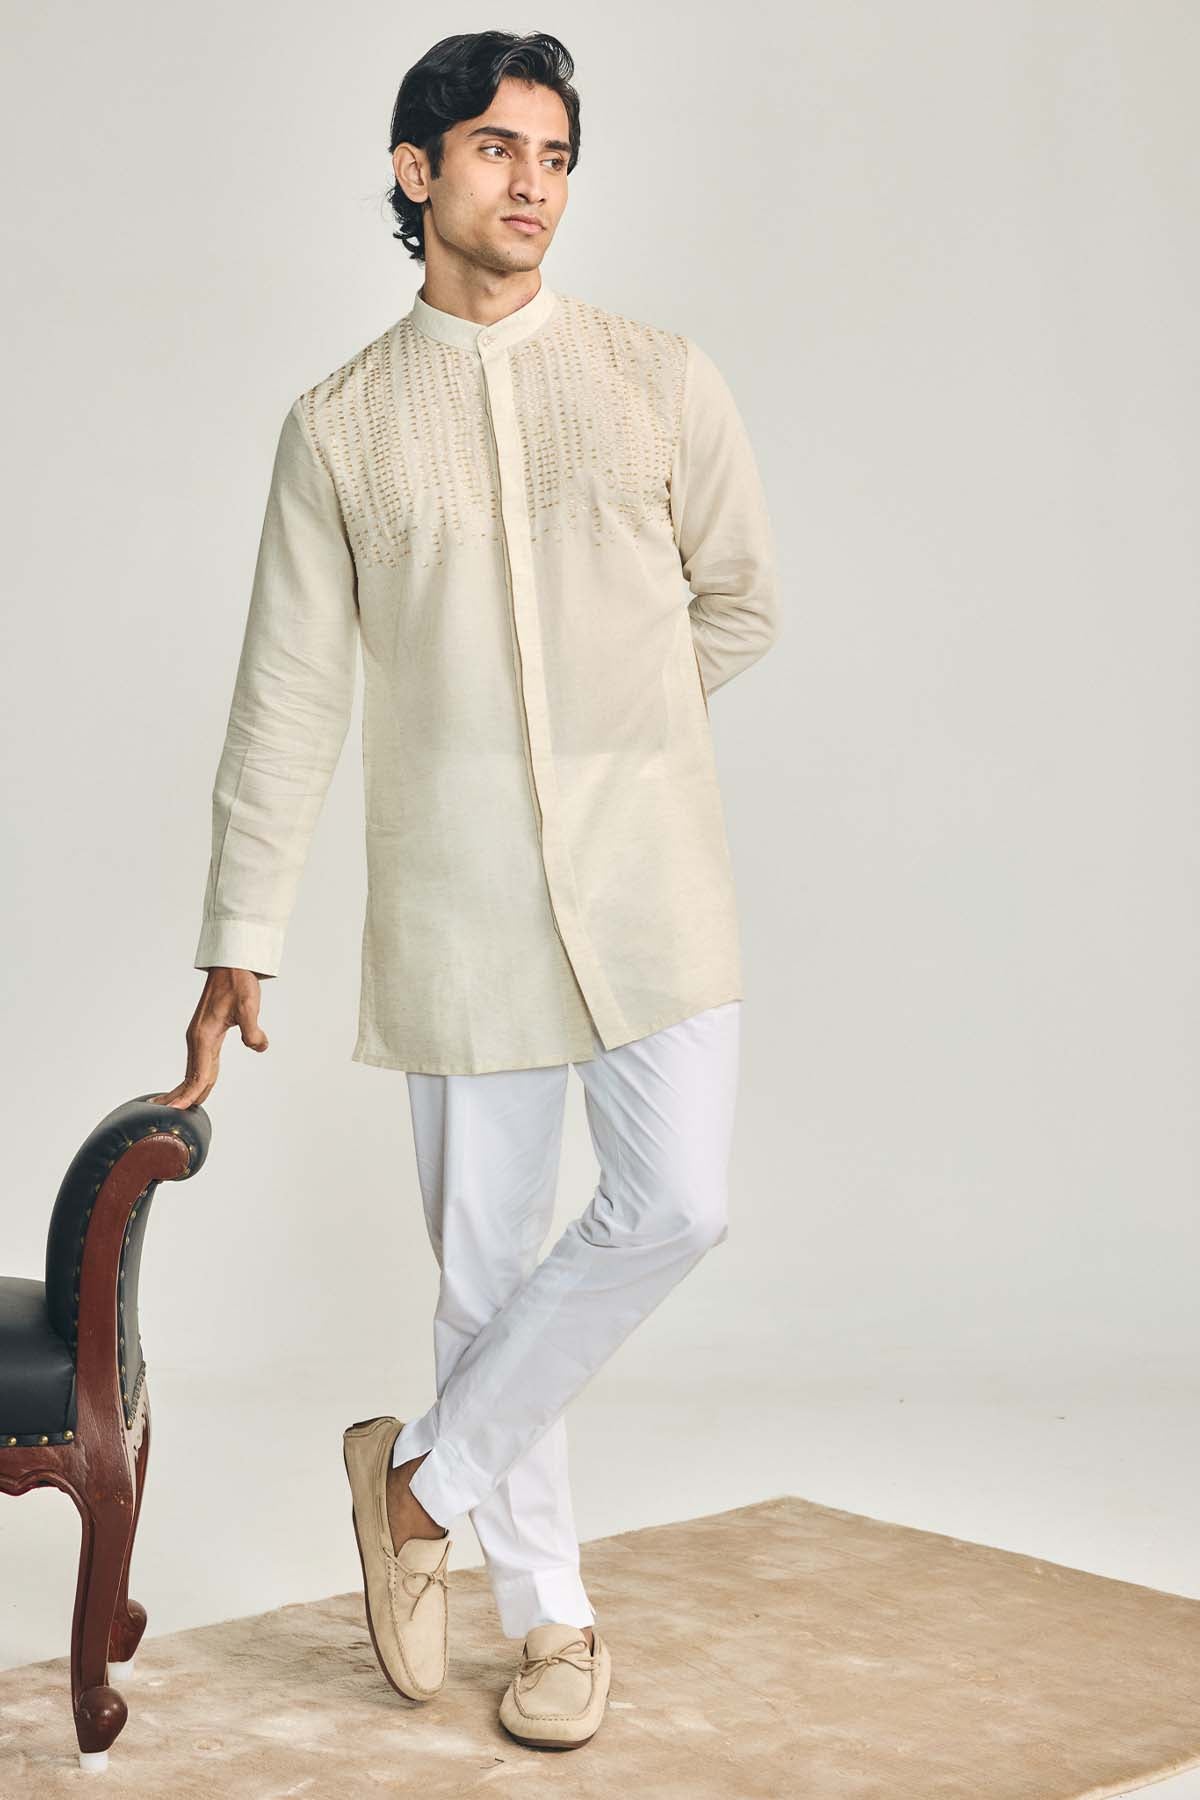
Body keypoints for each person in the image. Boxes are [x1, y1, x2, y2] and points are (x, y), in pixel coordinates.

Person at [156, 29, 779, 1752]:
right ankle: (551, 1618)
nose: (534, 184)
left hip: (652, 876)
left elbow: (739, 595)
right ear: (417, 170)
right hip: (456, 897)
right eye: (500, 148)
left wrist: (615, 748)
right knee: (488, 1267)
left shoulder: (658, 378)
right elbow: (288, 694)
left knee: (678, 1202)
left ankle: (417, 1486)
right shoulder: (341, 427)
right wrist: (240, 936)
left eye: (558, 155)